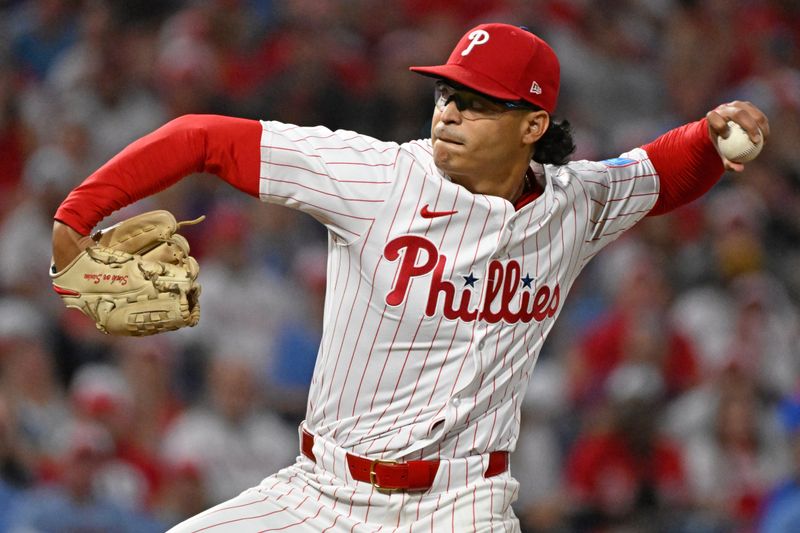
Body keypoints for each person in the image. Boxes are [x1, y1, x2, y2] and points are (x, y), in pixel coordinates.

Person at [50, 23, 769, 532]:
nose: (449, 112)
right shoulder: (375, 176)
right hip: (319, 493)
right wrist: (79, 214)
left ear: (531, 125)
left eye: (477, 101)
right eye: (445, 94)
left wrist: (711, 137)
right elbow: (199, 137)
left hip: (461, 506)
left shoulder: (575, 203)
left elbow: (661, 171)